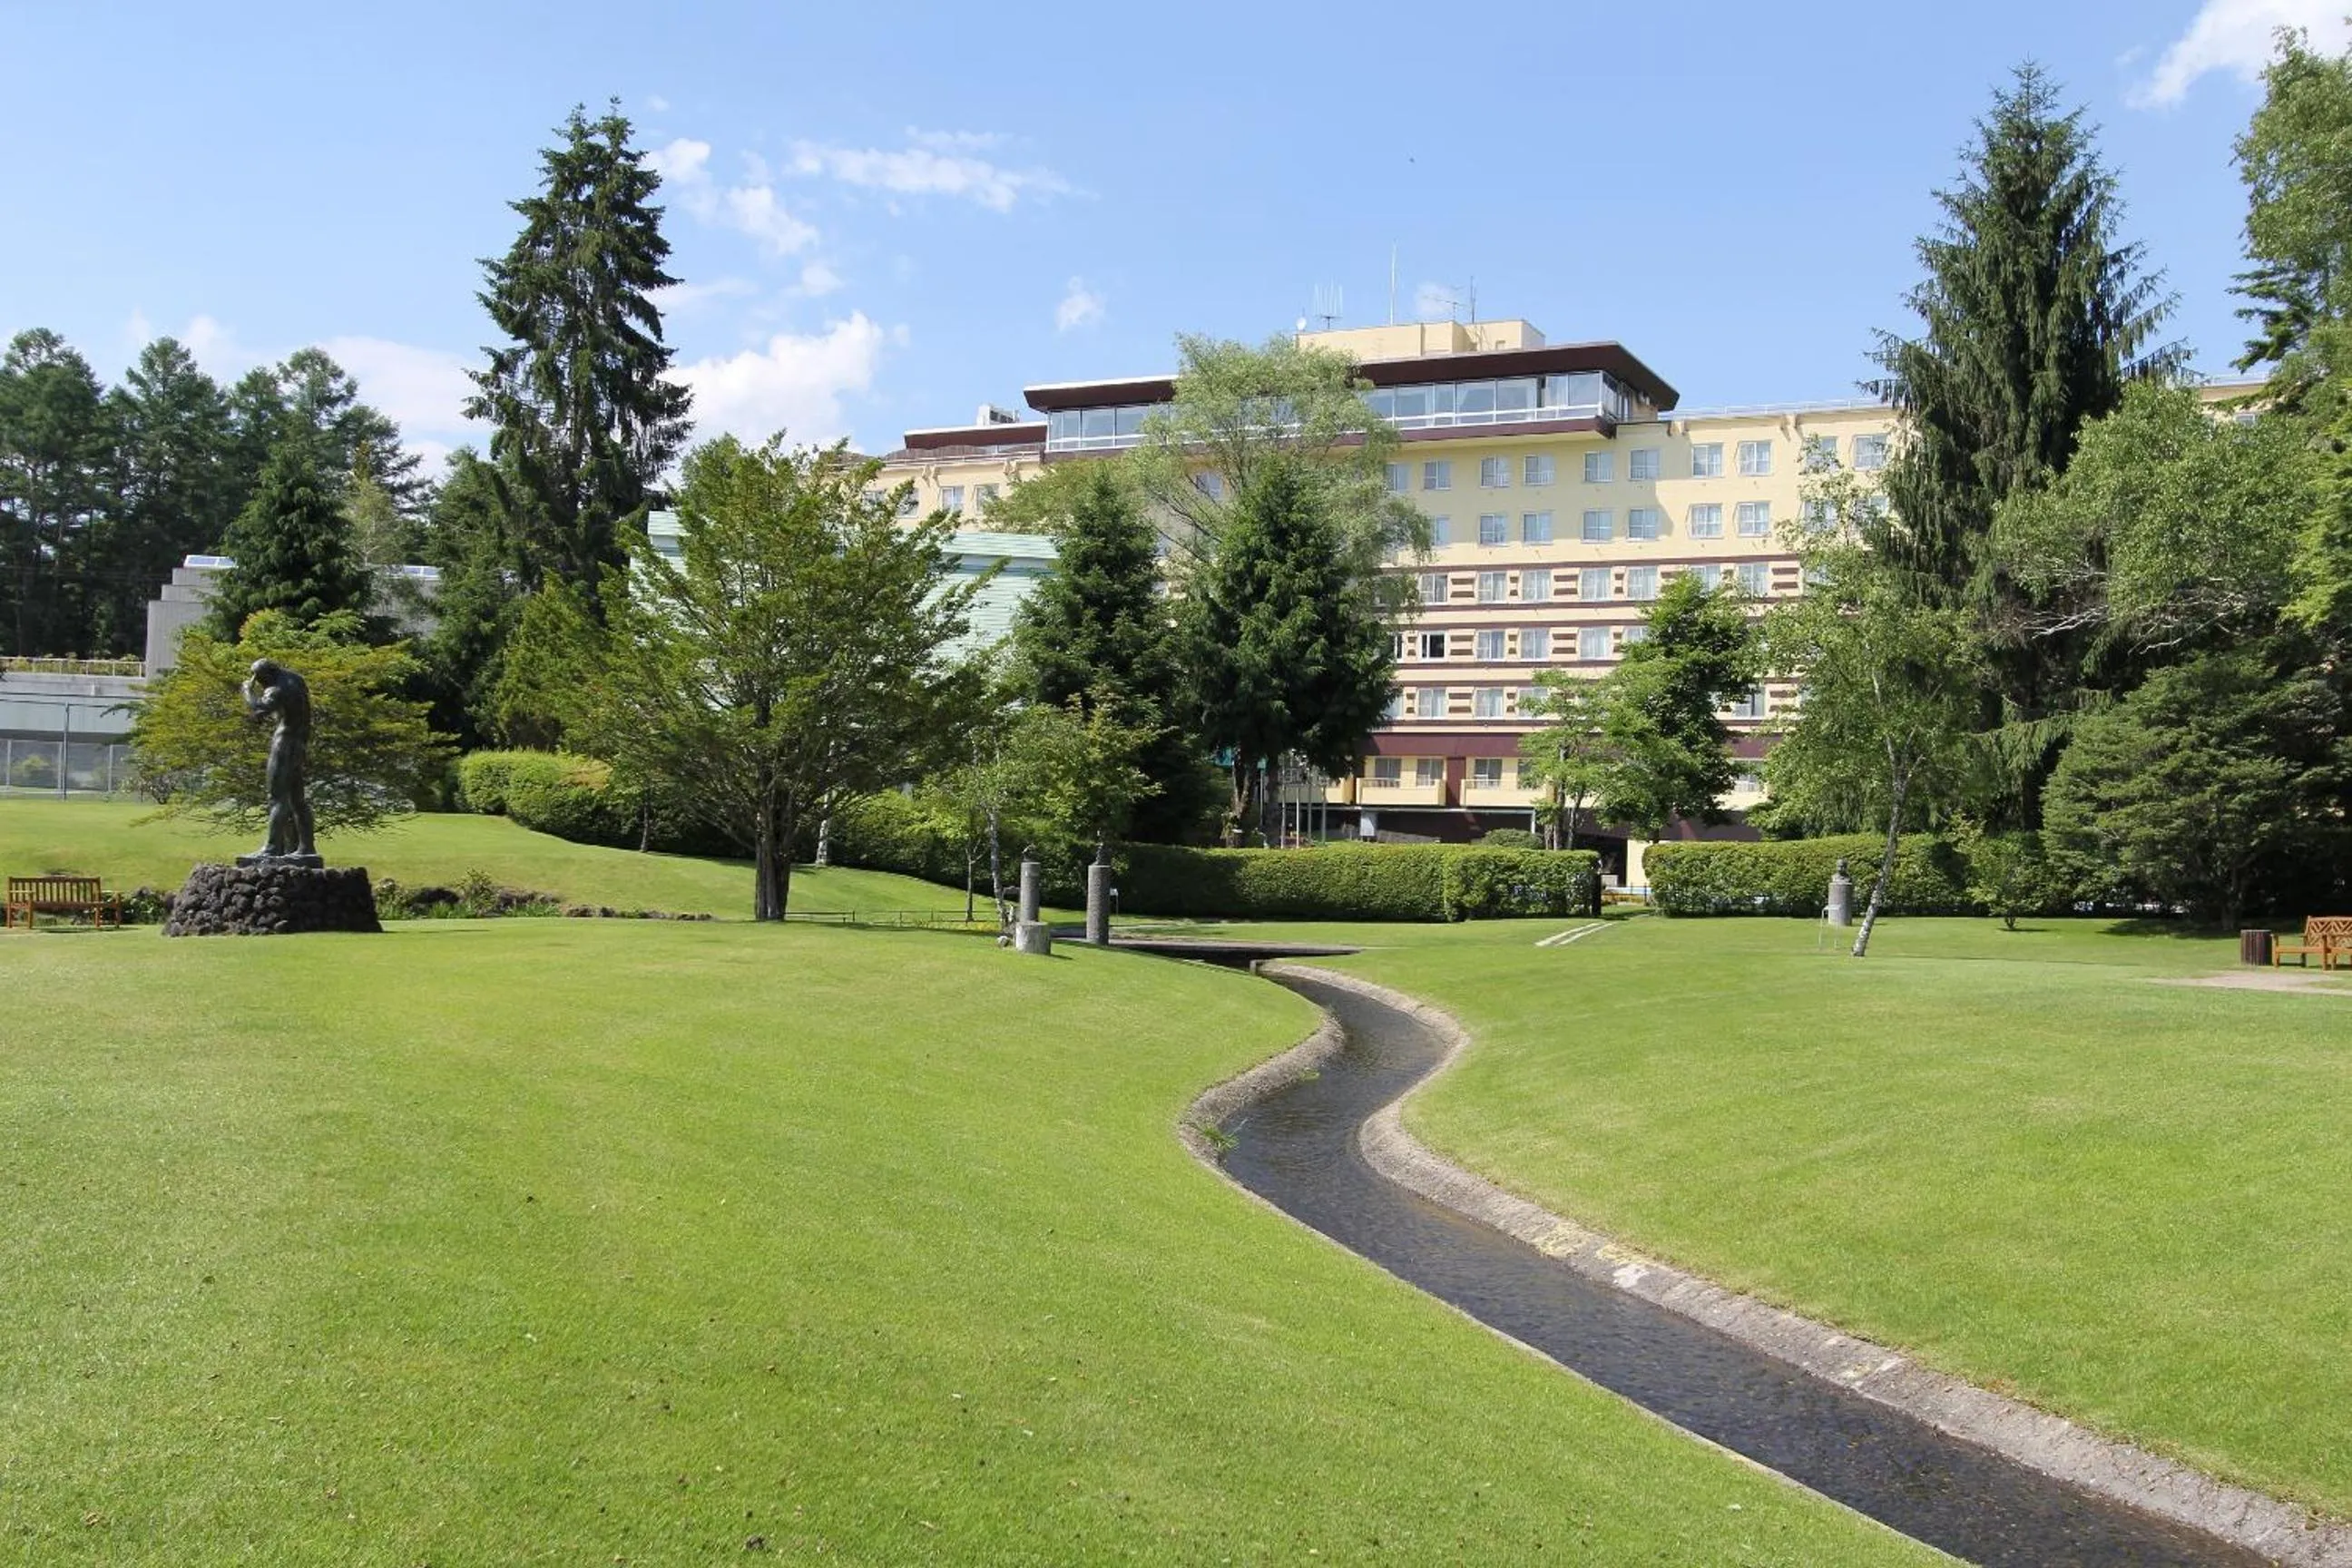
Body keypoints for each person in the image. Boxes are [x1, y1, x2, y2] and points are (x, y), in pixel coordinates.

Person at [243, 659, 317, 861]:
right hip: (299, 744)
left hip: (284, 743)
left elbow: (258, 708)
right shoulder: (296, 680)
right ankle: (307, 848)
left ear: (266, 676)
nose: (257, 683)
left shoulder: (275, 690)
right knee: (297, 800)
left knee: (276, 797)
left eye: (258, 680)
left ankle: (272, 848)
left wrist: (247, 692)